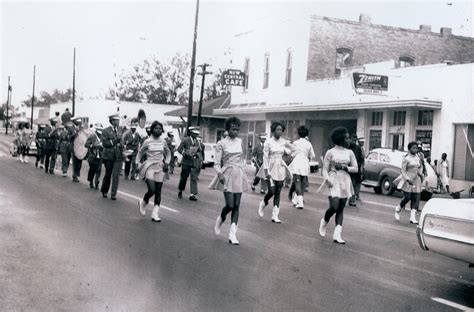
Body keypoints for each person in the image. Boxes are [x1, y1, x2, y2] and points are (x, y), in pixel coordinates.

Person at [209, 117, 248, 245]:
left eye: (237, 129)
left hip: (239, 173)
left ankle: (232, 234)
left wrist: (243, 171)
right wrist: (219, 174)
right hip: (227, 173)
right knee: (230, 205)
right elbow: (216, 162)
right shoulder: (221, 143)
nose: (235, 132)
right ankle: (221, 218)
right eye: (233, 129)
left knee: (237, 205)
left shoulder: (240, 141)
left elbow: (243, 158)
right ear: (227, 129)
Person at [318, 127, 358, 244]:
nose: (349, 140)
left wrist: (346, 167)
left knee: (341, 208)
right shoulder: (330, 152)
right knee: (334, 206)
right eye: (346, 138)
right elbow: (325, 169)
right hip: (333, 180)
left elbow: (355, 168)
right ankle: (324, 220)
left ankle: (337, 234)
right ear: (340, 139)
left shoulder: (350, 152)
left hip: (345, 180)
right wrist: (327, 179)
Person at [257, 122, 293, 223]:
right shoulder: (268, 142)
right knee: (271, 191)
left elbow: (293, 149)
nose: (279, 132)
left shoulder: (284, 142)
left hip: (280, 167)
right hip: (270, 167)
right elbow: (265, 157)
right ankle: (263, 203)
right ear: (273, 130)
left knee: (278, 192)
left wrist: (288, 154)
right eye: (277, 129)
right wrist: (266, 170)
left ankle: (275, 215)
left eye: (281, 130)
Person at [137, 121, 171, 222]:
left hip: (160, 167)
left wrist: (167, 162)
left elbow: (168, 153)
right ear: (152, 129)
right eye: (156, 128)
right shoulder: (147, 141)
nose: (158, 130)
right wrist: (138, 164)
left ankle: (155, 213)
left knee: (158, 191)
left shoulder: (163, 141)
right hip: (149, 166)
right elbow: (140, 153)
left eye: (160, 128)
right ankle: (143, 202)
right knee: (152, 189)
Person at [394, 141, 425, 224]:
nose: (415, 150)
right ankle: (398, 208)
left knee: (416, 197)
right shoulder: (406, 158)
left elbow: (419, 167)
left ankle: (412, 217)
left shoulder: (418, 157)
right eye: (413, 148)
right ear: (409, 149)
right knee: (407, 197)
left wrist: (421, 174)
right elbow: (403, 171)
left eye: (416, 148)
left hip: (416, 179)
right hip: (408, 179)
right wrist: (408, 179)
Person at [288, 126, 315, 209]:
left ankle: (300, 203)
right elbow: (313, 155)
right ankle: (296, 200)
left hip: (297, 163)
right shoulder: (309, 143)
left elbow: (291, 153)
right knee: (302, 183)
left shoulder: (296, 143)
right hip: (305, 164)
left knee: (297, 183)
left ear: (299, 134)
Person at [100, 113, 124, 200]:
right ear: (112, 121)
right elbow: (105, 144)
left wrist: (122, 146)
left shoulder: (120, 130)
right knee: (108, 174)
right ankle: (104, 191)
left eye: (118, 120)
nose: (118, 122)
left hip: (118, 156)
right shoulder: (106, 131)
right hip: (108, 156)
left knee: (116, 175)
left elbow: (122, 142)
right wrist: (115, 141)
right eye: (116, 120)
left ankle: (113, 193)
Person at [177, 126, 204, 201]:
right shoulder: (185, 140)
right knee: (184, 178)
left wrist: (197, 153)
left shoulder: (198, 141)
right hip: (186, 162)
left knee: (194, 178)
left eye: (197, 134)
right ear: (191, 133)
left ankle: (193, 194)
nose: (196, 135)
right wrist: (184, 153)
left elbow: (200, 150)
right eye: (194, 134)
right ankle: (180, 190)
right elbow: (179, 149)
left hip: (194, 162)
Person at [348, 134, 365, 206]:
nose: (353, 141)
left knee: (354, 184)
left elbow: (361, 159)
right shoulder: (347, 147)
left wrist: (361, 169)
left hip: (355, 169)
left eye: (355, 140)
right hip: (347, 168)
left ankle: (352, 199)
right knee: (348, 184)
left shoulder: (358, 148)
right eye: (352, 139)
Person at [85, 125, 104, 189]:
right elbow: (86, 144)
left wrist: (102, 147)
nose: (100, 133)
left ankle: (97, 183)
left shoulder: (103, 137)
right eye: (99, 131)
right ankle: (91, 182)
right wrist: (92, 146)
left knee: (98, 170)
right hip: (93, 156)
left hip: (100, 156)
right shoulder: (92, 136)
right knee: (92, 170)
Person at [70, 117, 85, 182]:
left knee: (80, 161)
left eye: (79, 122)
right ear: (74, 122)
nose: (79, 123)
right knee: (75, 161)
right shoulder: (71, 128)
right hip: (74, 147)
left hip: (80, 147)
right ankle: (75, 175)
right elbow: (69, 136)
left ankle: (77, 174)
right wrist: (75, 134)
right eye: (77, 122)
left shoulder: (81, 128)